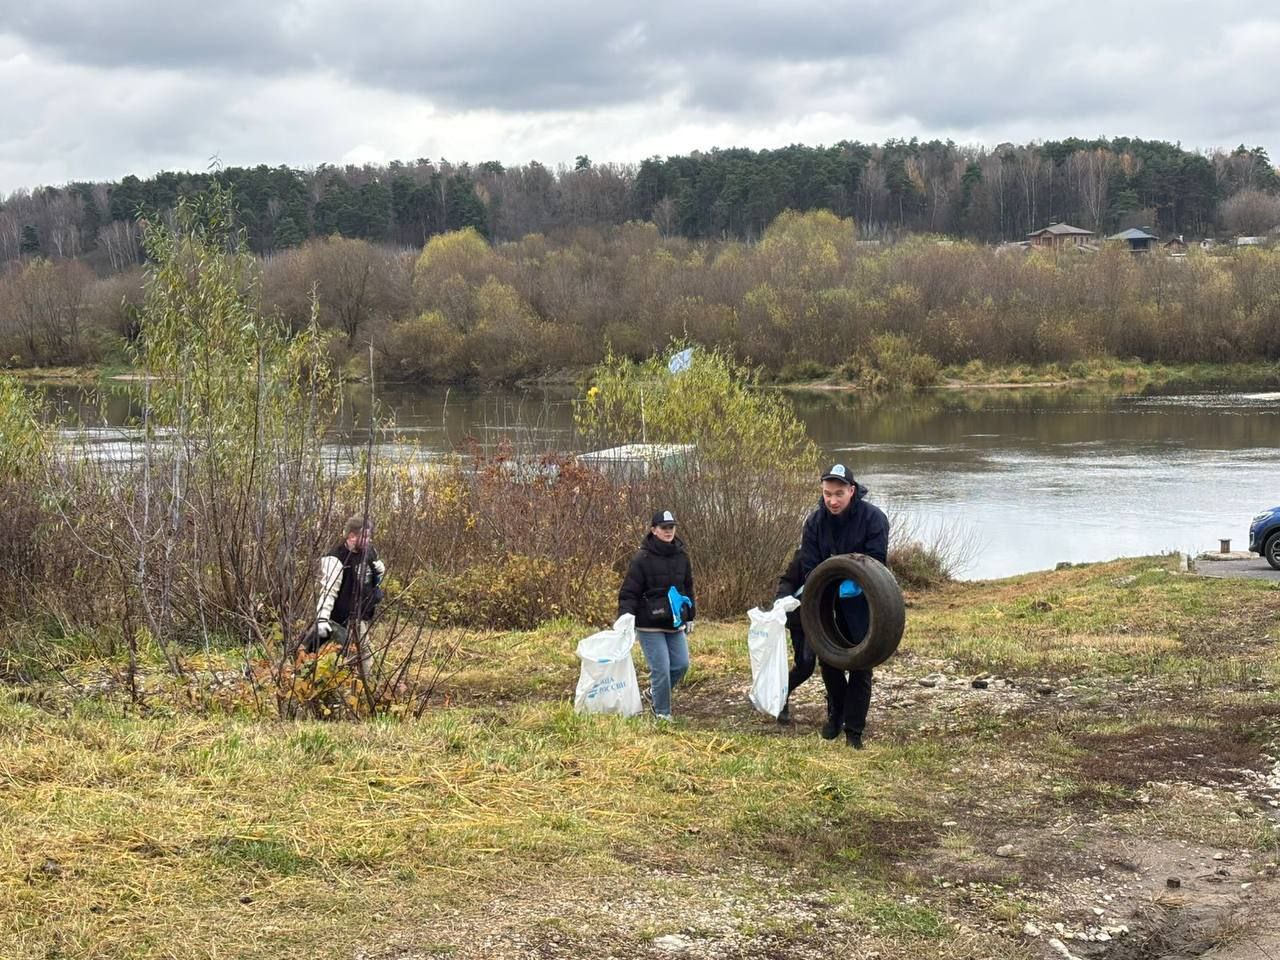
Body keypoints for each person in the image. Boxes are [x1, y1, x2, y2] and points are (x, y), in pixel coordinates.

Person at [798, 464, 889, 749]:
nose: (833, 500)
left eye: (839, 494)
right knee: (829, 662)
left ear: (852, 490)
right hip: (826, 603)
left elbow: (876, 562)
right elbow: (810, 567)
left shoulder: (873, 519)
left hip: (863, 603)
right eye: (827, 494)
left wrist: (852, 580)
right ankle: (835, 715)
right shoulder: (814, 523)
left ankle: (854, 731)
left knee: (861, 665)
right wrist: (828, 584)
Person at [618, 509, 696, 721]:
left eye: (671, 527)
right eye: (664, 527)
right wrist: (626, 615)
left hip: (674, 621)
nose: (669, 531)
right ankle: (662, 713)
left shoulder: (682, 556)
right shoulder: (641, 559)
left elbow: (687, 588)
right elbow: (629, 591)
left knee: (681, 665)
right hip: (648, 623)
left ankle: (654, 692)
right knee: (661, 669)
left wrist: (690, 615)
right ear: (654, 530)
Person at [312, 515, 387, 680]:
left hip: (361, 614)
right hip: (340, 617)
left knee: (356, 652)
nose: (369, 540)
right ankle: (359, 686)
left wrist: (380, 572)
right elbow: (328, 592)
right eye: (365, 536)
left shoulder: (369, 552)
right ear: (352, 536)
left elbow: (372, 580)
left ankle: (358, 685)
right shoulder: (335, 559)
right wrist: (322, 619)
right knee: (357, 651)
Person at [773, 549, 816, 725]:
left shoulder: (843, 551)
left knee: (834, 666)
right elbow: (788, 580)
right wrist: (782, 599)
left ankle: (835, 713)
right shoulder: (804, 553)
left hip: (831, 617)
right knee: (805, 665)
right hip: (801, 616)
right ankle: (781, 696)